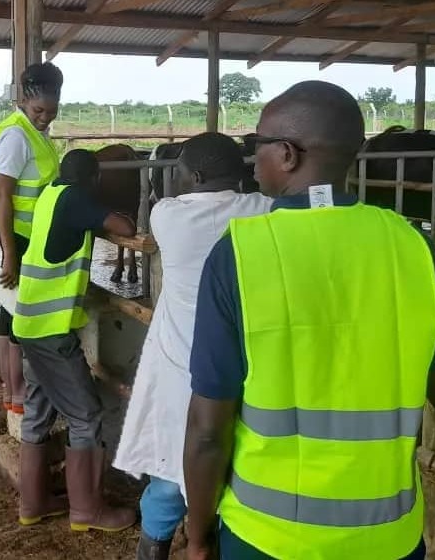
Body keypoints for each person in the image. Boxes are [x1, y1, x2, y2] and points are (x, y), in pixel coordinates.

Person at [183, 81, 435, 560]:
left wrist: (198, 537)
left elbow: (205, 428)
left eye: (257, 146)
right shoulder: (413, 248)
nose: (252, 159)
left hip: (266, 535)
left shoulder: (239, 254)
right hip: (388, 537)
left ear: (286, 154)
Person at [112, 132, 271, 560]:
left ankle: (157, 546)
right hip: (245, 364)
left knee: (172, 468)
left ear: (194, 175)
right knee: (232, 461)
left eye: (180, 170)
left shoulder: (167, 216)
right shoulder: (263, 212)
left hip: (182, 368)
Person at [12, 149, 138, 533]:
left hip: (30, 322)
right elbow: (125, 226)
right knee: (87, 416)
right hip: (51, 330)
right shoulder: (77, 199)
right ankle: (87, 511)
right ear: (93, 179)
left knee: (37, 412)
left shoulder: (50, 193)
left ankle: (33, 503)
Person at [0, 61, 63, 414]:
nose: (45, 117)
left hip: (31, 233)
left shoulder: (36, 132)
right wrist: (10, 254)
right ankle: (17, 394)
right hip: (16, 233)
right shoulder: (16, 134)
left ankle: (14, 393)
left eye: (51, 111)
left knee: (13, 309)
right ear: (23, 101)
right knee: (17, 310)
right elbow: (4, 197)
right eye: (38, 110)